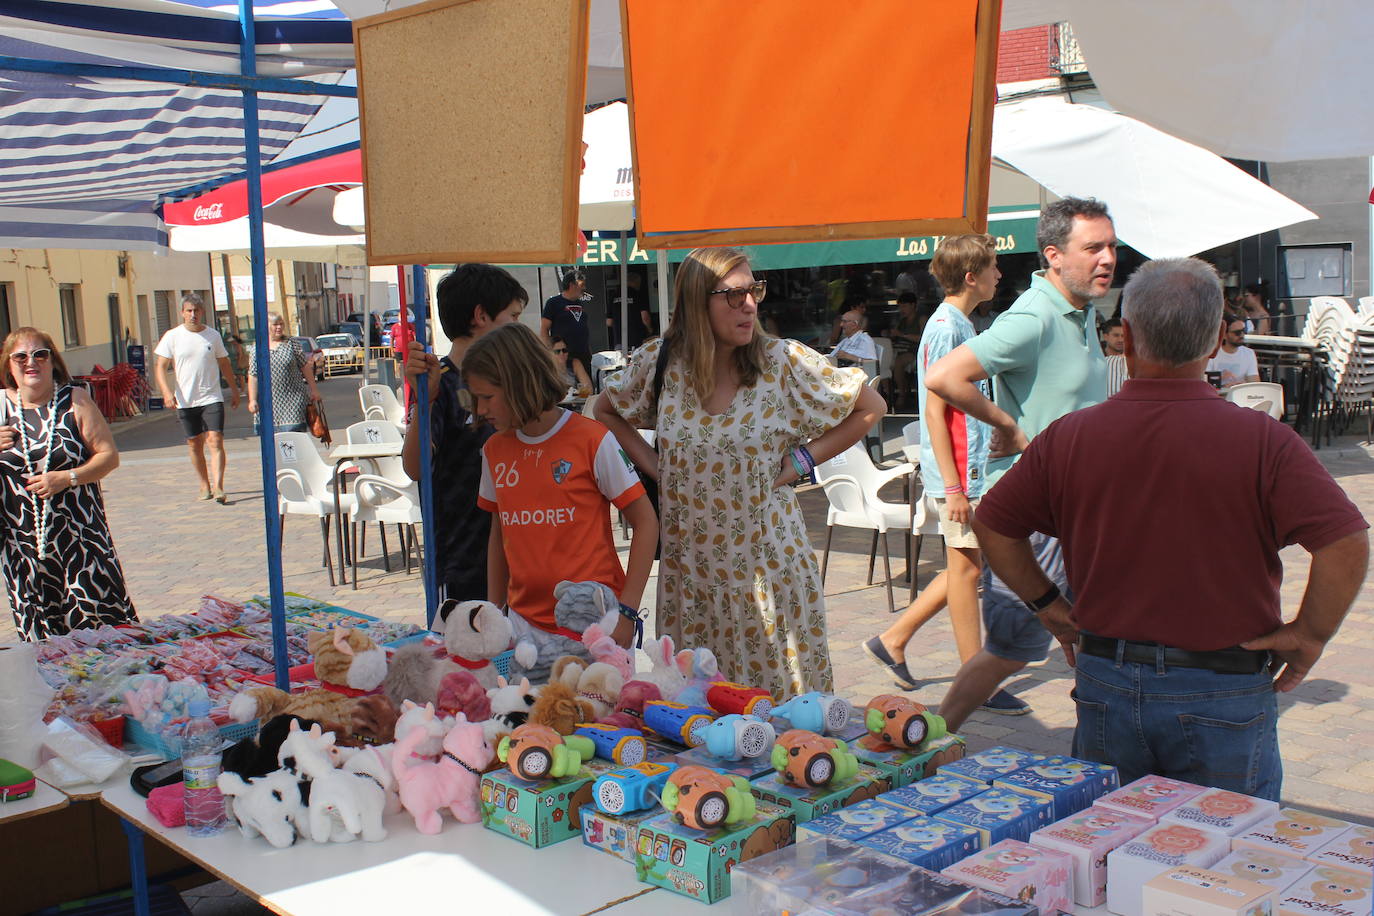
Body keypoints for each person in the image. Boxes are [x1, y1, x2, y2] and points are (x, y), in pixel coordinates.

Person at [970, 258, 1369, 799]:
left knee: (1109, 857)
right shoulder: (1262, 440)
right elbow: (1345, 543)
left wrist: (1048, 608)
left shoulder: (1072, 436)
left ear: (1126, 339)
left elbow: (993, 524)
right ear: (1213, 345)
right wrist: (1310, 634)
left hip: (1108, 679)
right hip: (1223, 685)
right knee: (1225, 864)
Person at [595, 247, 886, 696]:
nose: (749, 304)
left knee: (782, 722)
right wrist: (657, 468)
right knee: (699, 720)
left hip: (771, 577)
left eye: (754, 291)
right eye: (733, 296)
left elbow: (871, 406)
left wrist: (801, 462)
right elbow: (606, 409)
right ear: (696, 302)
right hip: (692, 584)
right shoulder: (662, 363)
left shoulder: (782, 363)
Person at [926, 196, 1117, 722]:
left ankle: (1103, 744)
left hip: (1078, 511)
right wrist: (1008, 426)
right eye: (1093, 248)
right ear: (1054, 256)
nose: (1107, 259)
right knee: (1011, 649)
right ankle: (936, 741)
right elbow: (942, 378)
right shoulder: (1034, 315)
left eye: (1111, 247)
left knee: (1095, 633)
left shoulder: (1080, 311)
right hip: (1036, 517)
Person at [864, 235, 999, 688]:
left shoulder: (957, 323)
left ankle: (895, 640)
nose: (999, 275)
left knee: (966, 565)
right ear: (971, 276)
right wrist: (955, 486)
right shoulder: (948, 328)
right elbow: (937, 412)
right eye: (993, 267)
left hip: (964, 469)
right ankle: (973, 675)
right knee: (968, 567)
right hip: (960, 471)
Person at [470, 322, 655, 647]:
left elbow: (646, 522)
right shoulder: (493, 450)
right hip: (522, 629)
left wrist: (627, 614)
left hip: (596, 626)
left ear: (518, 384)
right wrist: (494, 614)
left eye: (487, 397)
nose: (481, 410)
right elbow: (498, 534)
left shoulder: (592, 439)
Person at [0, 328, 136, 640]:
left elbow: (109, 457)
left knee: (103, 640)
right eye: (20, 356)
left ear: (52, 360)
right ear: (9, 365)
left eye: (40, 354)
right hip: (25, 554)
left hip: (83, 546)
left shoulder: (75, 400)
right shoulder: (1, 407)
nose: (30, 362)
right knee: (43, 651)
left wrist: (67, 478)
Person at [402, 264, 526, 605]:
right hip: (463, 561)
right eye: (513, 316)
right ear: (480, 316)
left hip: (518, 555)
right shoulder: (437, 381)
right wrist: (425, 403)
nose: (518, 326)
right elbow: (414, 467)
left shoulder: (511, 382)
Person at [154, 293, 239, 503]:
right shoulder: (173, 336)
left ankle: (218, 486)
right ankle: (204, 485)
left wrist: (235, 389)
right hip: (185, 399)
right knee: (194, 443)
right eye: (189, 311)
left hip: (211, 396)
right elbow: (160, 367)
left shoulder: (212, 336)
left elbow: (224, 363)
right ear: (182, 313)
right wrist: (166, 392)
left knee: (215, 439)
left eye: (196, 311)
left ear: (202, 312)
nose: (193, 315)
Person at [247, 312, 320, 434]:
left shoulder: (291, 343)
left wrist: (314, 390)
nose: (279, 327)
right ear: (266, 326)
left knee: (293, 437)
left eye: (281, 324)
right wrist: (252, 400)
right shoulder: (258, 348)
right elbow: (253, 375)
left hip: (293, 400)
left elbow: (305, 367)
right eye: (275, 324)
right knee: (271, 441)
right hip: (268, 402)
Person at [541, 268, 594, 395]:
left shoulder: (580, 303)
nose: (584, 288)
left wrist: (589, 348)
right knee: (564, 388)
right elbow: (544, 329)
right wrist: (549, 352)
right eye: (581, 285)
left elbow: (583, 327)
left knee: (586, 389)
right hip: (563, 353)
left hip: (583, 352)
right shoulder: (553, 303)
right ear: (572, 285)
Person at [1206, 315, 1261, 388]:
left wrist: (1243, 385)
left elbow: (1255, 384)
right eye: (1237, 333)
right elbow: (1204, 381)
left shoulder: (1249, 353)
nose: (1242, 335)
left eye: (1243, 331)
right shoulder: (1212, 353)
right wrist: (1221, 381)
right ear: (1224, 335)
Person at [889, 292, 923, 409]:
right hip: (899, 349)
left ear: (913, 305)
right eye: (900, 306)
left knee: (899, 362)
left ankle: (902, 395)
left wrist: (902, 335)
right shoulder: (902, 320)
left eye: (904, 306)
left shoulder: (921, 318)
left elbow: (923, 338)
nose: (901, 309)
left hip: (914, 350)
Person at [1101, 317, 1128, 397]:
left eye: (1123, 336)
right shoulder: (1095, 357)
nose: (1120, 340)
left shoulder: (1131, 360)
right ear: (1105, 336)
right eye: (1116, 335)